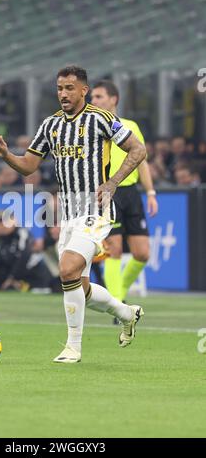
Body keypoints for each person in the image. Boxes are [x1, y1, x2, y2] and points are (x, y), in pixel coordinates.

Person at [0, 65, 146, 363]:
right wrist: (6, 155)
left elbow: (138, 150)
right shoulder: (51, 125)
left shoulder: (102, 119)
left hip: (96, 210)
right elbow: (30, 166)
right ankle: (126, 312)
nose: (63, 93)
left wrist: (112, 183)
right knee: (78, 286)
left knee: (68, 269)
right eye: (59, 88)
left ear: (84, 90)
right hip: (68, 213)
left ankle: (73, 347)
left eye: (69, 88)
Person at [91, 80, 158, 320]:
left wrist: (150, 193)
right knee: (114, 250)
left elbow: (142, 161)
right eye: (92, 97)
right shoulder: (93, 128)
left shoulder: (130, 126)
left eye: (98, 97)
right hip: (109, 193)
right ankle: (118, 306)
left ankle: (120, 293)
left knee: (142, 253)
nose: (93, 101)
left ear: (114, 99)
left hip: (131, 193)